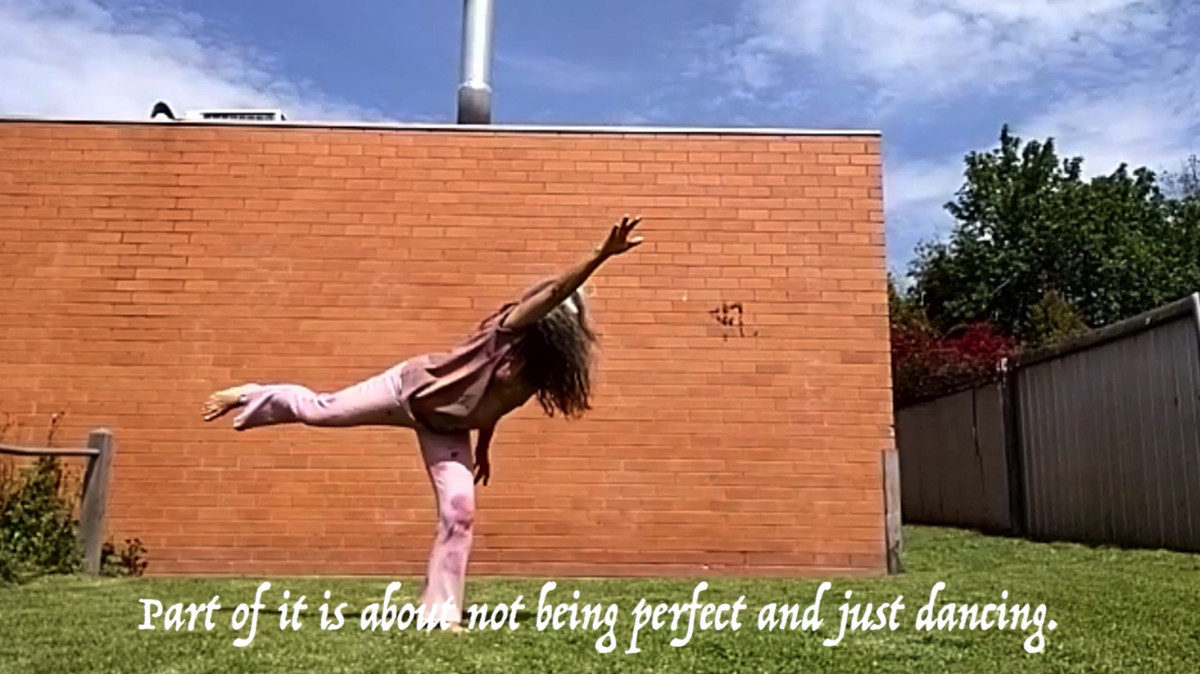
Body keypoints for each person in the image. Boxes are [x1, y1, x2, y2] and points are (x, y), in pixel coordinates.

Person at [201, 215, 645, 633]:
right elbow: (555, 292)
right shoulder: (511, 328)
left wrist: (484, 445)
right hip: (408, 389)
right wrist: (599, 255)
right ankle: (253, 394)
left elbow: (494, 403)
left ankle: (441, 613)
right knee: (321, 410)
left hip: (447, 428)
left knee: (459, 514)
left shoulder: (539, 373)